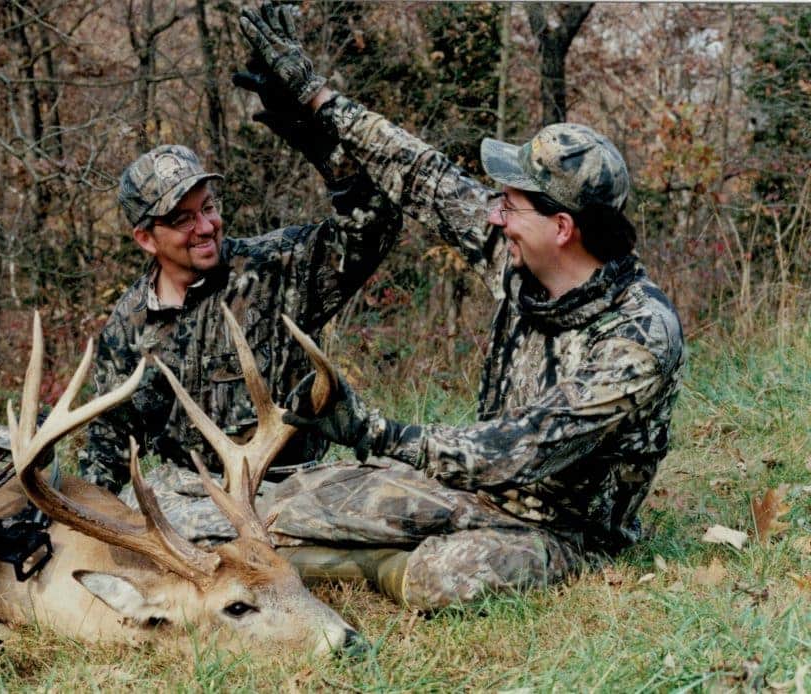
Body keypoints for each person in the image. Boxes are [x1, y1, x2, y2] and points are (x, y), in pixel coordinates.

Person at [236, 3, 686, 610]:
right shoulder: (519, 258)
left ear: (561, 227)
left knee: (440, 577)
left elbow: (521, 448)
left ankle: (365, 566)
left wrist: (376, 432)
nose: (494, 215)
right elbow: (423, 176)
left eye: (510, 204)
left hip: (562, 531)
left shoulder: (640, 336)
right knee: (303, 500)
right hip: (472, 488)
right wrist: (316, 96)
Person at [76, 118, 402, 539]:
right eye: (182, 220)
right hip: (195, 501)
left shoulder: (279, 267)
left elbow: (374, 228)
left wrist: (321, 135)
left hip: (294, 489)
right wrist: (82, 524)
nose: (206, 227)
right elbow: (111, 440)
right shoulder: (128, 324)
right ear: (145, 238)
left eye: (208, 208)